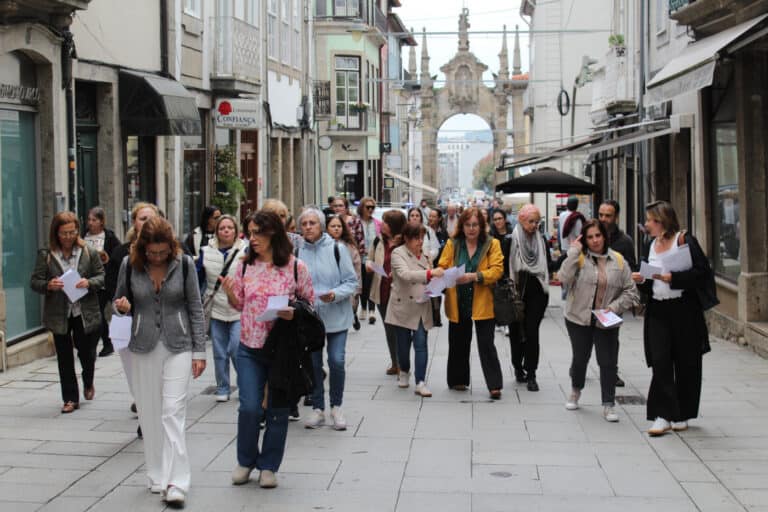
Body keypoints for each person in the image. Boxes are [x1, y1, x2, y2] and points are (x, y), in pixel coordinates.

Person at [113, 217, 206, 506]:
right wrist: (122, 306)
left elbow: (195, 306)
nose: (157, 257)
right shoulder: (129, 265)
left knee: (172, 411)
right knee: (149, 413)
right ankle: (156, 473)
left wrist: (200, 351)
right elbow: (117, 302)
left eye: (162, 252)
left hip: (178, 344)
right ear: (143, 248)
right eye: (152, 253)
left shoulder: (185, 264)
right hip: (142, 345)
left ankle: (177, 481)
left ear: (171, 246)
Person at [221, 211, 314, 489]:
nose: (252, 239)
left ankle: (269, 466)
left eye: (257, 233)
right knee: (249, 407)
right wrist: (229, 293)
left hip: (282, 350)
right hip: (249, 346)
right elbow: (239, 305)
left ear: (273, 234)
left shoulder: (296, 267)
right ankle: (245, 460)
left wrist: (292, 313)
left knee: (277, 409)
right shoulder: (244, 265)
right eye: (249, 233)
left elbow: (309, 305)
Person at [631, 201, 718, 436]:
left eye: (650, 220)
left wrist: (674, 278)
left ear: (662, 221)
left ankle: (682, 413)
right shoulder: (650, 244)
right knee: (660, 360)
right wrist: (643, 280)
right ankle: (662, 414)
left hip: (684, 309)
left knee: (686, 361)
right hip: (658, 310)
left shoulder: (684, 241)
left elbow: (702, 273)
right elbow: (650, 278)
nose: (647, 224)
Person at [558, 219, 638, 422]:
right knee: (580, 358)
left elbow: (631, 291)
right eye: (590, 237)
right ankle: (575, 391)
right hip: (578, 318)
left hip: (607, 320)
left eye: (598, 236)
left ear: (604, 236)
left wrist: (614, 307)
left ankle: (609, 404)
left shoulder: (618, 261)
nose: (594, 240)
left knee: (608, 362)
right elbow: (563, 278)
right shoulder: (580, 258)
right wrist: (574, 252)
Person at [30, 211, 105, 413]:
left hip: (83, 311)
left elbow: (101, 277)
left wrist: (88, 283)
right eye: (64, 233)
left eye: (72, 232)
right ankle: (70, 398)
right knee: (64, 356)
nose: (68, 237)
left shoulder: (88, 251)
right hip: (59, 313)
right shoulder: (46, 255)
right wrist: (49, 285)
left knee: (86, 352)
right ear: (56, 233)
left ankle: (88, 380)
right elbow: (35, 282)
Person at [297, 207, 358, 431]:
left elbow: (351, 282)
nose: (308, 227)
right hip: (310, 319)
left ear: (321, 226)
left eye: (312, 223)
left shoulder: (337, 249)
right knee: (313, 364)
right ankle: (318, 409)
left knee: (336, 360)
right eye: (304, 224)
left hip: (336, 315)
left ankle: (337, 406)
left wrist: (334, 294)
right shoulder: (297, 251)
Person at [104, 202, 159, 438]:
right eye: (141, 218)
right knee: (134, 373)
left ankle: (151, 415)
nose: (145, 222)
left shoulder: (170, 252)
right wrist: (121, 304)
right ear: (134, 223)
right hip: (127, 322)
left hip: (156, 323)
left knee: (154, 372)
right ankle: (144, 408)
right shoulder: (122, 254)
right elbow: (111, 288)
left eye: (150, 217)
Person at [438, 207, 505, 399]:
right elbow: (442, 264)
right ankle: (458, 379)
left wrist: (475, 276)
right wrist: (448, 272)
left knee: (486, 343)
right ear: (462, 225)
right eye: (467, 225)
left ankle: (494, 385)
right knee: (458, 341)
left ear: (482, 226)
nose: (471, 229)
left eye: (475, 225)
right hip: (458, 300)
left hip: (483, 301)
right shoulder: (453, 243)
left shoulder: (492, 244)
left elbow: (497, 270)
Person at [387, 224, 444, 396]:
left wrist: (438, 284)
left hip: (421, 305)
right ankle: (404, 370)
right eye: (416, 238)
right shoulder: (398, 253)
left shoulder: (426, 255)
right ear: (406, 238)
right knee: (403, 347)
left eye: (422, 238)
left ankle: (420, 381)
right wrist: (430, 274)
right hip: (403, 305)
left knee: (421, 344)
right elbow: (405, 275)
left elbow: (430, 281)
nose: (420, 242)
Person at [197, 214, 246, 402]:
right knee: (219, 351)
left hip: (238, 309)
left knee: (235, 348)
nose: (226, 231)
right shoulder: (206, 251)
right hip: (216, 308)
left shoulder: (245, 250)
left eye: (230, 228)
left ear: (236, 231)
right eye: (222, 228)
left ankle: (244, 385)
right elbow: (198, 277)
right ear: (216, 231)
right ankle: (222, 387)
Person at [508, 204, 554, 392]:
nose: (535, 225)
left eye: (537, 222)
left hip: (537, 291)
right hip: (516, 290)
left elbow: (548, 264)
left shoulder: (541, 240)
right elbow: (505, 267)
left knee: (532, 331)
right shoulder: (511, 240)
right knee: (517, 332)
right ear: (521, 220)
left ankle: (532, 373)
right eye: (531, 221)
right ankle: (518, 367)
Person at [598, 199, 637, 387]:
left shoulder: (624, 242)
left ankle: (611, 372)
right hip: (589, 296)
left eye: (608, 215)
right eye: (601, 215)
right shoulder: (591, 236)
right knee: (586, 337)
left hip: (612, 299)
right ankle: (579, 366)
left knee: (611, 337)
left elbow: (631, 269)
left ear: (616, 217)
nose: (604, 219)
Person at [368, 209, 408, 375]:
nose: (382, 224)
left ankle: (403, 362)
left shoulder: (405, 243)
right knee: (389, 329)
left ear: (394, 226)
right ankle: (395, 362)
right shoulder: (378, 241)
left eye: (385, 221)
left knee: (400, 329)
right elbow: (369, 258)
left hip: (400, 292)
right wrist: (369, 265)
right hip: (381, 290)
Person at [84, 206, 122, 357]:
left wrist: (107, 257)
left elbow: (118, 255)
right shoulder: (84, 237)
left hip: (108, 281)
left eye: (94, 220)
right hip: (92, 281)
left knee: (112, 310)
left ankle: (112, 341)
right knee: (97, 313)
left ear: (101, 222)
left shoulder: (110, 237)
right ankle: (106, 342)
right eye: (89, 219)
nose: (91, 223)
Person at [327, 215, 363, 330]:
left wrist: (357, 288)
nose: (336, 228)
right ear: (326, 228)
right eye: (333, 226)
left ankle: (352, 316)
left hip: (345, 290)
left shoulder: (350, 247)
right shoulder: (321, 246)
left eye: (339, 226)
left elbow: (357, 268)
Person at [357, 197, 381, 324]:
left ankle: (372, 311)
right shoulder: (356, 222)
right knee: (363, 284)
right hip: (360, 258)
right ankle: (364, 307)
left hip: (374, 258)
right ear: (362, 208)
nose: (370, 209)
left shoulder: (377, 223)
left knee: (372, 283)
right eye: (368, 207)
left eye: (372, 207)